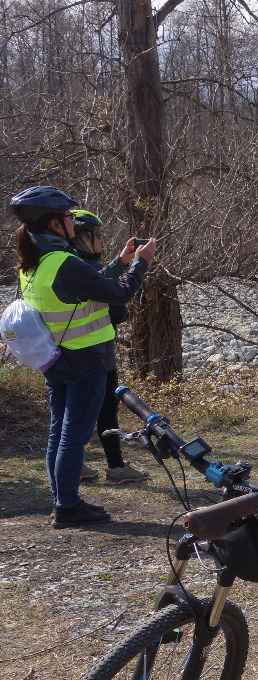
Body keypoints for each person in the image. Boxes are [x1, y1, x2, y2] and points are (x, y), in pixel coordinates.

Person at [10, 186, 155, 528]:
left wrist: (119, 263)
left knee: (59, 432)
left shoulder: (36, 263)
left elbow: (87, 287)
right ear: (55, 224)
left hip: (57, 359)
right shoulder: (65, 262)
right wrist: (140, 264)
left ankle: (62, 500)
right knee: (73, 435)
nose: (73, 222)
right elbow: (120, 293)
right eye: (68, 217)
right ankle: (68, 507)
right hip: (86, 360)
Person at [67, 209, 150, 485]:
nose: (102, 239)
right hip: (95, 351)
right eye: (98, 234)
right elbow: (116, 300)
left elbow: (100, 278)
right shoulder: (82, 267)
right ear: (84, 237)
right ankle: (115, 467)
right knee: (104, 409)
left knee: (75, 410)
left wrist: (120, 261)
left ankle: (74, 464)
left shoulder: (71, 264)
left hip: (74, 351)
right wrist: (139, 263)